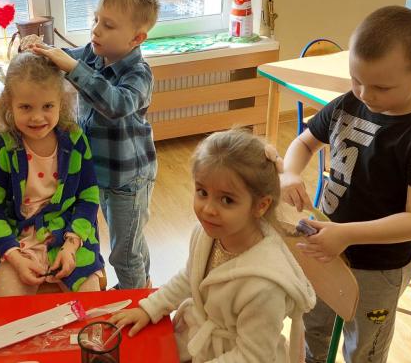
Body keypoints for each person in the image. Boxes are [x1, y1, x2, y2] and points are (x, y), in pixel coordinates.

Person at [279, 6, 411, 362]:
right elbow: (304, 143)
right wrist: (290, 173)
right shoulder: (348, 104)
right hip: (325, 248)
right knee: (314, 327)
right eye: (356, 79)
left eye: (381, 87)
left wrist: (347, 234)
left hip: (379, 267)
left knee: (364, 347)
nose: (365, 94)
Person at [110, 129, 316, 362]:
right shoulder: (206, 234)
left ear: (261, 205)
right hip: (198, 344)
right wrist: (150, 308)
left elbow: (252, 357)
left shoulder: (265, 287)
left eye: (227, 200)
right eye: (202, 192)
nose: (208, 209)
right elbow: (190, 277)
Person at [29, 0, 159, 289]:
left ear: (136, 38)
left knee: (124, 253)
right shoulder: (93, 54)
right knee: (131, 240)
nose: (96, 30)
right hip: (100, 174)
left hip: (129, 180)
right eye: (96, 20)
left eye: (108, 25)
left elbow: (116, 104)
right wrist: (42, 50)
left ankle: (134, 298)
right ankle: (143, 286)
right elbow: (64, 60)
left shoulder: (139, 73)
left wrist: (73, 67)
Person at [0, 52, 104, 296]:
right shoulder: (1, 149)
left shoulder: (76, 141)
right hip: (18, 241)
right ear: (9, 104)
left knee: (90, 305)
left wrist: (71, 245)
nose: (37, 117)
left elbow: (88, 199)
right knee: (7, 303)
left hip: (69, 234)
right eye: (26, 107)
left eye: (47, 106)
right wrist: (14, 257)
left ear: (61, 103)